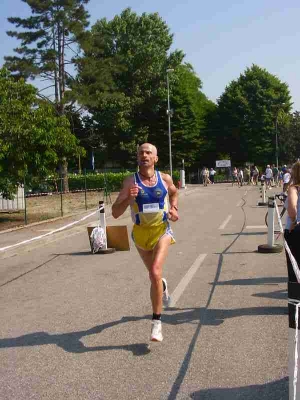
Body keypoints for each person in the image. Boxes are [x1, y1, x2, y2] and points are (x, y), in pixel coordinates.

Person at [111, 143, 179, 342]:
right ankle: (163, 287)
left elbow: (174, 192)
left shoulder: (164, 179)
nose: (144, 155)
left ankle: (156, 324)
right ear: (137, 158)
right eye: (141, 152)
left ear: (155, 158)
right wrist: (127, 199)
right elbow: (115, 213)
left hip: (161, 230)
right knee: (155, 278)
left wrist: (174, 208)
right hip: (140, 234)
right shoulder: (130, 181)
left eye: (148, 152)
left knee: (155, 272)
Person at [284, 161, 300, 282]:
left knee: (294, 266)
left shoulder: (294, 188)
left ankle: (295, 297)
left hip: (295, 230)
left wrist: (294, 221)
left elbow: (292, 209)